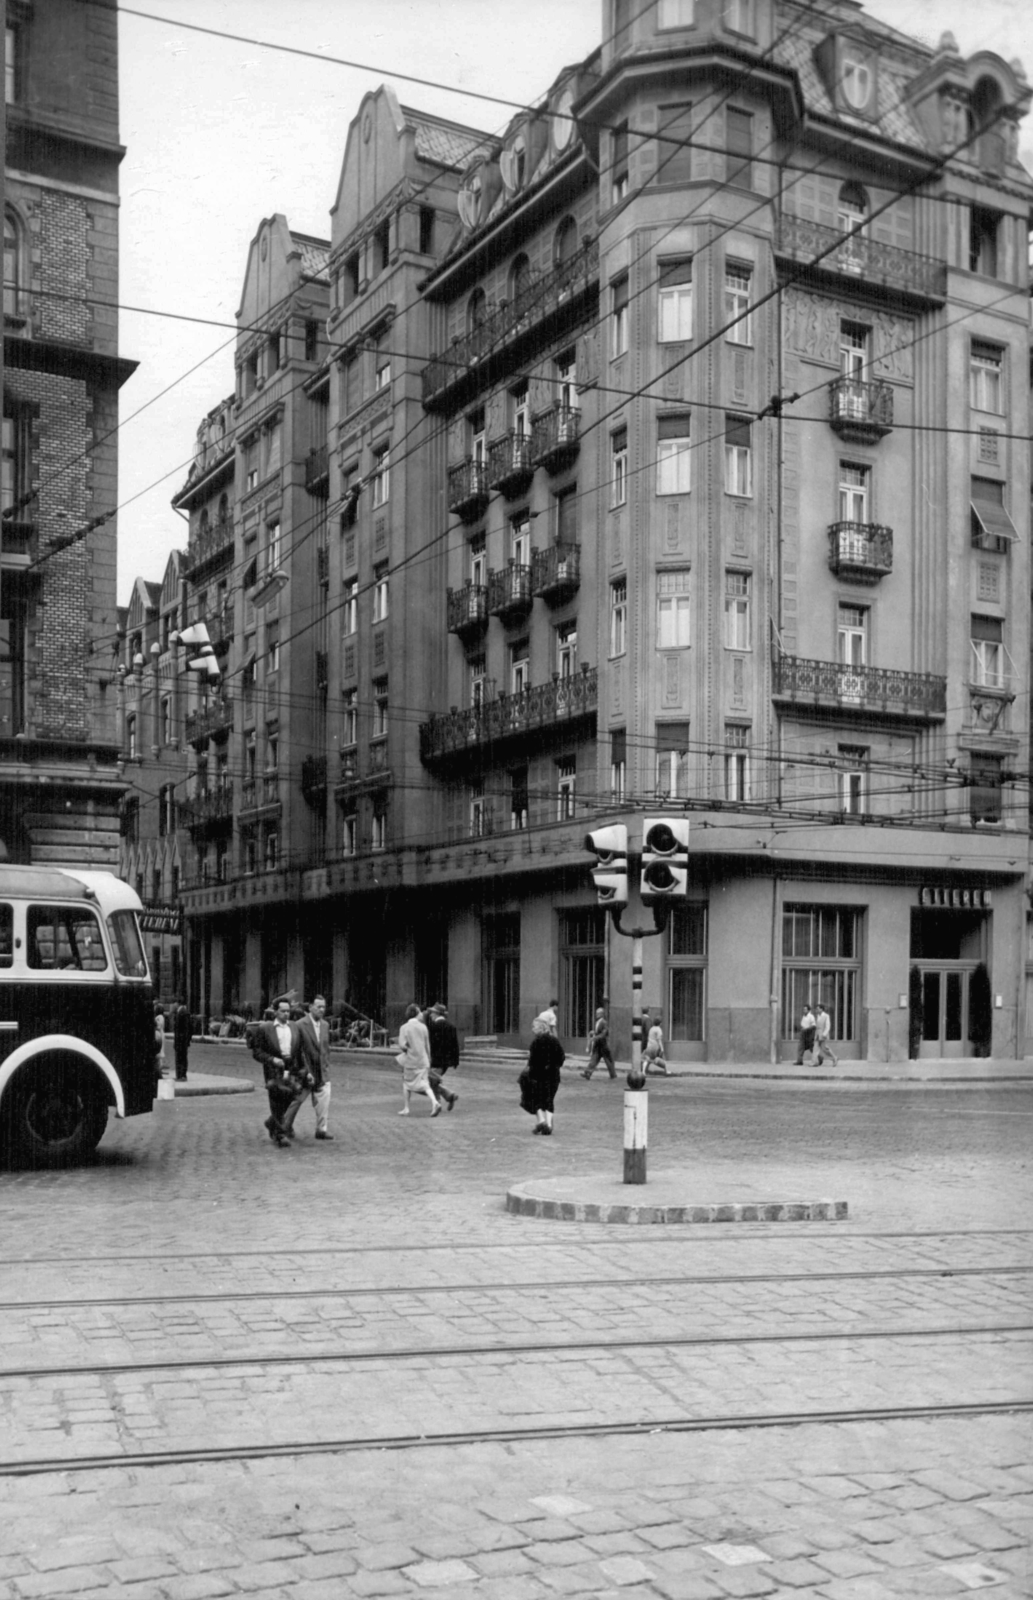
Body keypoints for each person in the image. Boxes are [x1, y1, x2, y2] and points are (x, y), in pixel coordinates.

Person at [250, 995, 310, 1149]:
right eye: (283, 1011)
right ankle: (279, 1135)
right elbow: (257, 1052)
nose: (286, 1014)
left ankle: (272, 1122)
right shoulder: (265, 1029)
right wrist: (272, 1060)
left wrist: (306, 1070)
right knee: (276, 1098)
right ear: (275, 1012)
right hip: (273, 1069)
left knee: (291, 1095)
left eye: (288, 1011)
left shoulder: (294, 1027)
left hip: (291, 1067)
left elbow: (300, 1051)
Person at [284, 995, 334, 1139]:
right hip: (305, 1071)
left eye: (324, 1007)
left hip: (322, 1072)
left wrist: (326, 1065)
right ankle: (285, 1127)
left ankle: (321, 1130)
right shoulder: (300, 1025)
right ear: (310, 1007)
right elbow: (298, 1050)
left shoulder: (325, 1025)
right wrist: (305, 1071)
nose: (322, 1010)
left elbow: (325, 1048)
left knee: (324, 1102)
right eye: (318, 1007)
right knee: (296, 1100)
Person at [396, 1002, 439, 1116]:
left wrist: (407, 1049)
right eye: (419, 1011)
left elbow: (402, 1045)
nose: (421, 1013)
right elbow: (427, 1046)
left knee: (406, 1083)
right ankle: (434, 1102)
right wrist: (429, 1059)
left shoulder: (404, 1028)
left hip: (411, 1061)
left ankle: (406, 1108)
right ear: (415, 1013)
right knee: (425, 1084)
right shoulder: (423, 1027)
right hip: (423, 1060)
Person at [526, 1017, 565, 1134]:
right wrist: (554, 1067)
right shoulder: (554, 1041)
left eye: (534, 1027)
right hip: (554, 1075)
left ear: (540, 1028)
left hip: (539, 1076)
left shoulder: (535, 1043)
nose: (532, 1029)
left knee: (533, 1098)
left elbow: (532, 1062)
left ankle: (542, 1121)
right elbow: (562, 1057)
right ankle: (548, 1124)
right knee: (549, 1100)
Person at [426, 1003, 459, 1111]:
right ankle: (448, 1096)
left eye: (432, 1013)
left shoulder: (432, 1027)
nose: (430, 1015)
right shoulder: (451, 1027)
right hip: (445, 1063)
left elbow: (429, 1045)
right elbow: (455, 1046)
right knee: (432, 1081)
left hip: (435, 1061)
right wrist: (454, 1061)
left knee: (429, 1081)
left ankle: (438, 1102)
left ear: (436, 1014)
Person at [581, 1008, 616, 1080]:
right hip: (597, 1045)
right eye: (596, 1013)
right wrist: (594, 1032)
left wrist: (595, 1038)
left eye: (598, 1013)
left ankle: (613, 1075)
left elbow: (604, 1033)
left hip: (603, 1045)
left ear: (602, 1014)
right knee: (594, 1059)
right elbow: (598, 1032)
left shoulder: (604, 1022)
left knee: (608, 1061)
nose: (596, 1014)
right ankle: (588, 1073)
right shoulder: (597, 1022)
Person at [172, 998, 192, 1082]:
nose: (173, 1006)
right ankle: (181, 1075)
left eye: (174, 1004)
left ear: (178, 1004)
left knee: (180, 1058)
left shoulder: (182, 1013)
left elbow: (187, 1028)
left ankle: (181, 1075)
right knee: (182, 1057)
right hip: (182, 1040)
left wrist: (185, 1039)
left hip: (181, 1041)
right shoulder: (182, 1012)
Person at [814, 1003, 838, 1067]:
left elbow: (828, 1026)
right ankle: (815, 1062)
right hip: (817, 1034)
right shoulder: (817, 1016)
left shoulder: (826, 1016)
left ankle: (834, 1058)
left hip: (822, 1034)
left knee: (824, 1048)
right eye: (816, 1009)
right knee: (815, 1048)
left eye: (818, 1009)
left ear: (822, 1009)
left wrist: (824, 1034)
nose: (816, 1010)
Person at [154, 1000, 167, 1076]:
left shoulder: (159, 1017)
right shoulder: (161, 1016)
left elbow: (159, 1025)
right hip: (161, 1033)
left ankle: (160, 1067)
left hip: (160, 1034)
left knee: (160, 1051)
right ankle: (160, 1066)